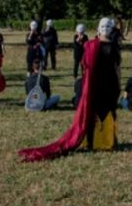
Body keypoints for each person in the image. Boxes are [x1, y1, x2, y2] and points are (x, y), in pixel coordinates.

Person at [18, 17, 122, 161]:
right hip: (108, 84)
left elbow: (85, 66)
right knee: (106, 112)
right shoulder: (111, 47)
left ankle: (92, 142)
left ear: (98, 28)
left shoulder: (91, 45)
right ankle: (105, 142)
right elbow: (116, 69)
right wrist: (118, 86)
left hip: (96, 85)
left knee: (95, 111)